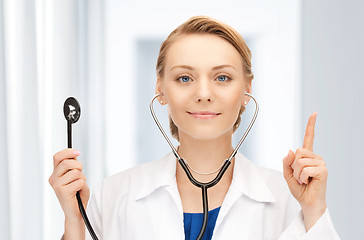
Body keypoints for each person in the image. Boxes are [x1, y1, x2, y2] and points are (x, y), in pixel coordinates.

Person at [49, 16, 341, 240]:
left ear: (247, 90)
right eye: (185, 78)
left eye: (223, 78)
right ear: (160, 90)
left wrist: (314, 210)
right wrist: (74, 224)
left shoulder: (289, 200)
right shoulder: (112, 195)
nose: (203, 93)